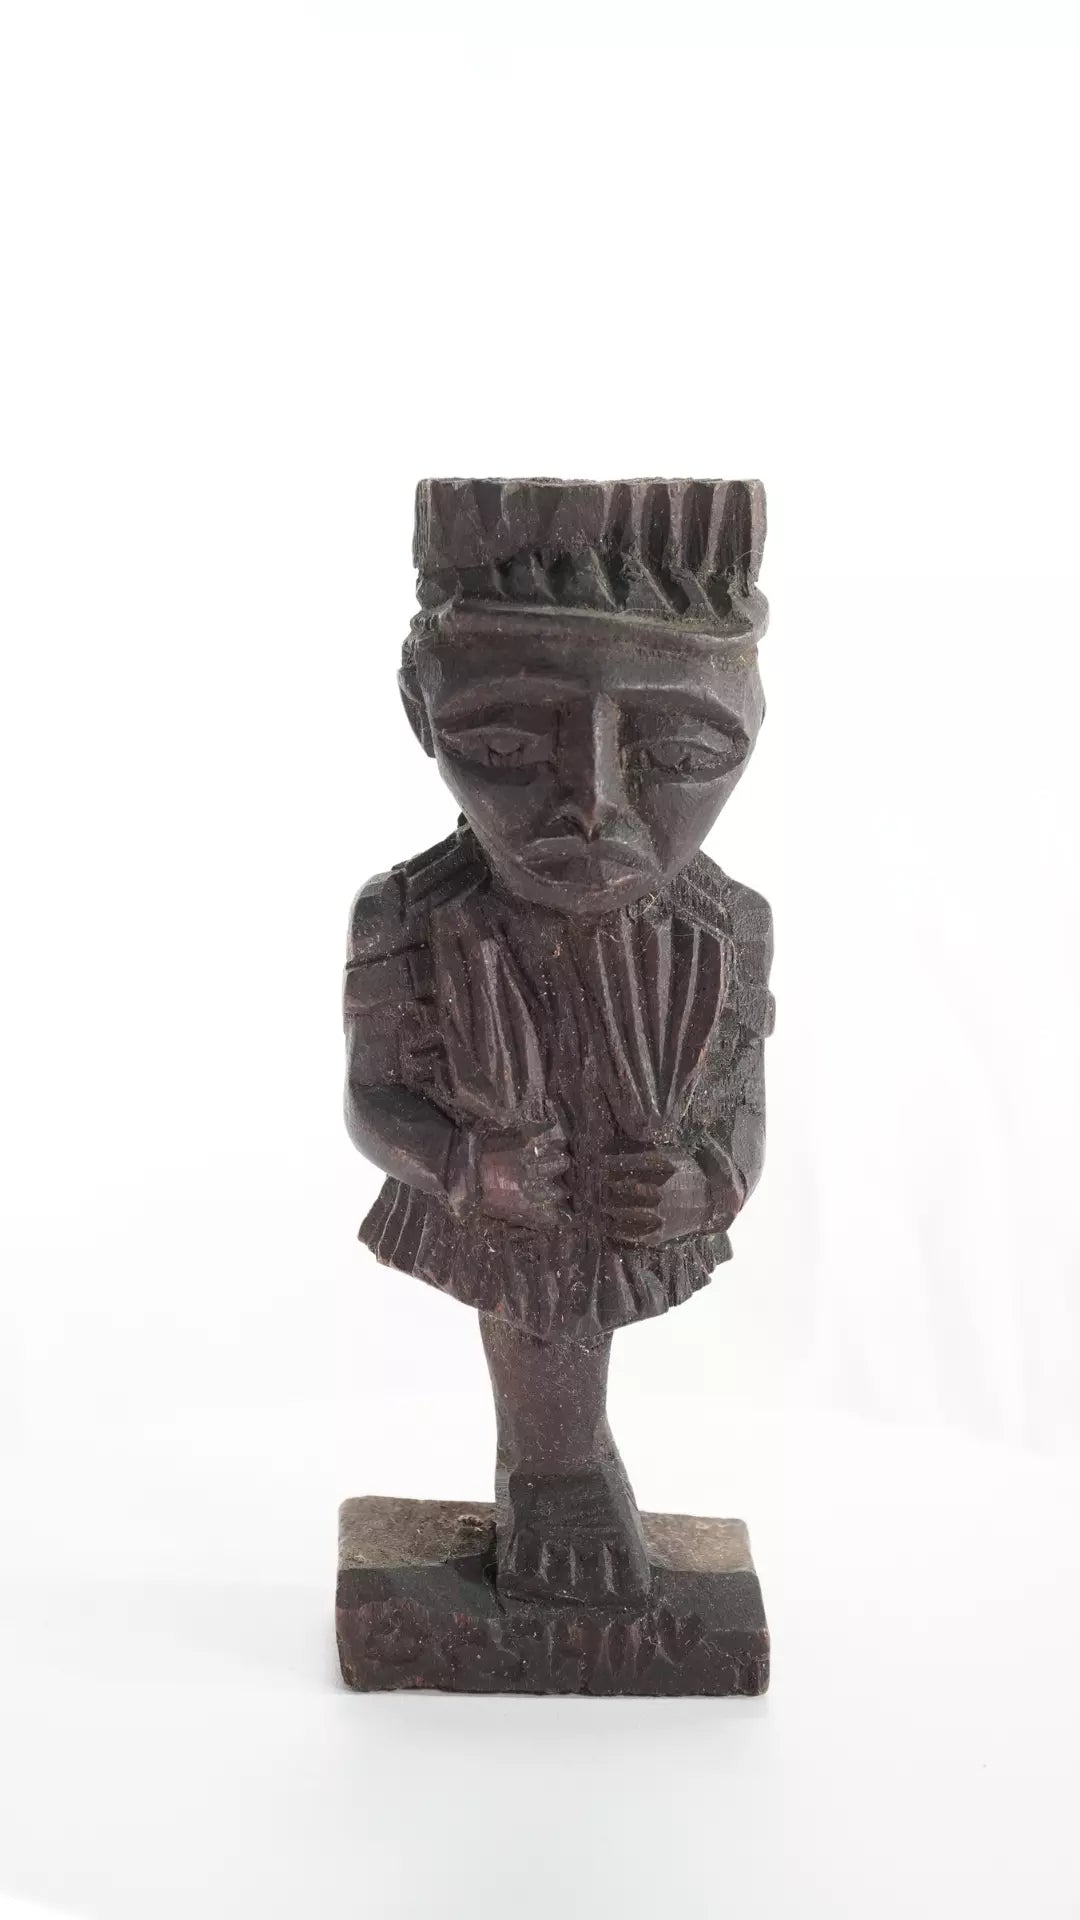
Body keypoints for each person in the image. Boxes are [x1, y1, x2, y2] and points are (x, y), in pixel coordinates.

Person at [344, 478, 774, 1607]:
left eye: (675, 753)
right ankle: (554, 1472)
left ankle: (560, 1469)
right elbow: (369, 1101)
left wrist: (710, 1183)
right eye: (506, 741)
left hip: (621, 1193)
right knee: (534, 1291)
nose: (596, 805)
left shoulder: (725, 925)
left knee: (570, 1290)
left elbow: (743, 1101)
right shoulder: (409, 917)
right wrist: (462, 1165)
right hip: (507, 1200)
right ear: (420, 709)